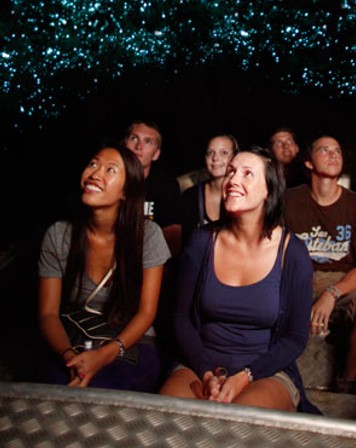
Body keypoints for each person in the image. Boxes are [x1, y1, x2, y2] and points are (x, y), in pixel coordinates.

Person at [159, 147, 320, 413]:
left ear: (269, 190)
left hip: (265, 371)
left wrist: (246, 375)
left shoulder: (292, 253)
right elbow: (181, 318)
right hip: (199, 365)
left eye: (247, 174)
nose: (233, 180)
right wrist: (207, 372)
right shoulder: (201, 242)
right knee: (167, 419)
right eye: (231, 172)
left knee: (239, 424)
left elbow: (294, 337)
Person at [36, 144, 171, 391]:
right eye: (93, 164)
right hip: (73, 337)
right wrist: (70, 358)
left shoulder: (148, 236)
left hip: (129, 342)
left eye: (110, 170)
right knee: (57, 389)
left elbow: (146, 313)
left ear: (126, 192)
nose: (96, 174)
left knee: (108, 392)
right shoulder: (58, 234)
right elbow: (47, 314)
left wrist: (104, 355)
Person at [283, 135, 356, 394]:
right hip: (299, 277)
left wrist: (332, 294)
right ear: (308, 162)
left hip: (341, 280)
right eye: (324, 150)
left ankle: (347, 383)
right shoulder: (289, 200)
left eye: (338, 151)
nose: (333, 155)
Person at [123, 119, 183, 257]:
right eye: (134, 138)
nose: (139, 146)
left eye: (148, 142)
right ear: (124, 144)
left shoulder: (166, 186)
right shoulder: (106, 179)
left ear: (156, 154)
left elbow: (172, 243)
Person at [181, 133, 239, 245]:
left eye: (224, 153)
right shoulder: (190, 196)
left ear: (235, 157)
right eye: (210, 152)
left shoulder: (243, 196)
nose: (215, 158)